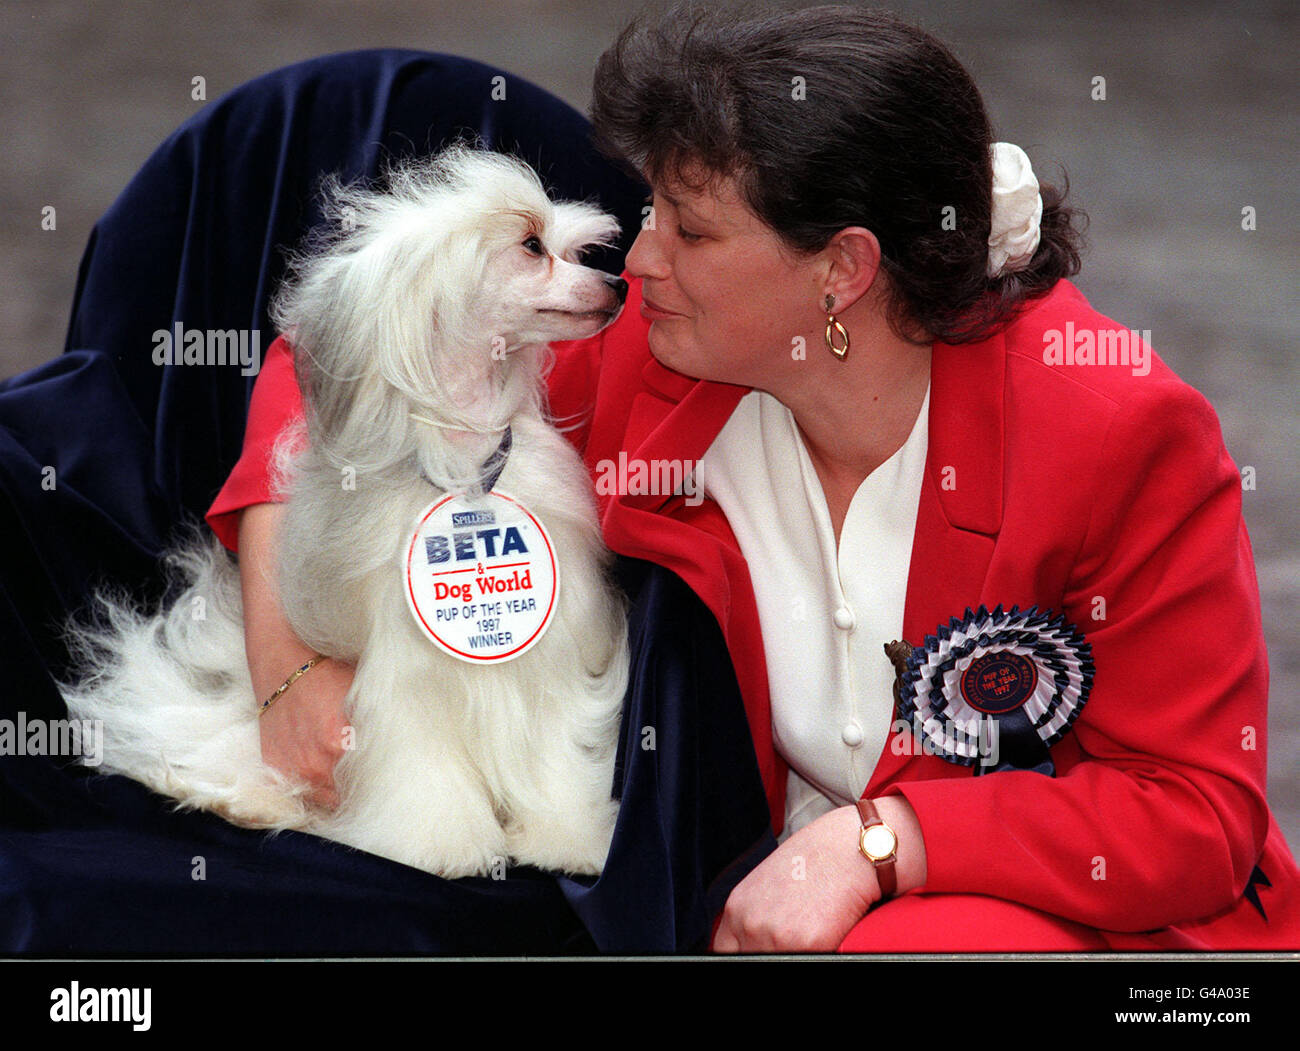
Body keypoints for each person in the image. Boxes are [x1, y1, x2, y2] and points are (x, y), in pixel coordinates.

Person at [206, 5, 1300, 951]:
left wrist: (878, 844)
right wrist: (286, 660)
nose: (636, 263)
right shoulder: (654, 353)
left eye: (688, 230)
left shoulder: (1120, 432)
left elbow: (1195, 812)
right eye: (648, 215)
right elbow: (332, 351)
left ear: (843, 269)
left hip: (1071, 915)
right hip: (741, 888)